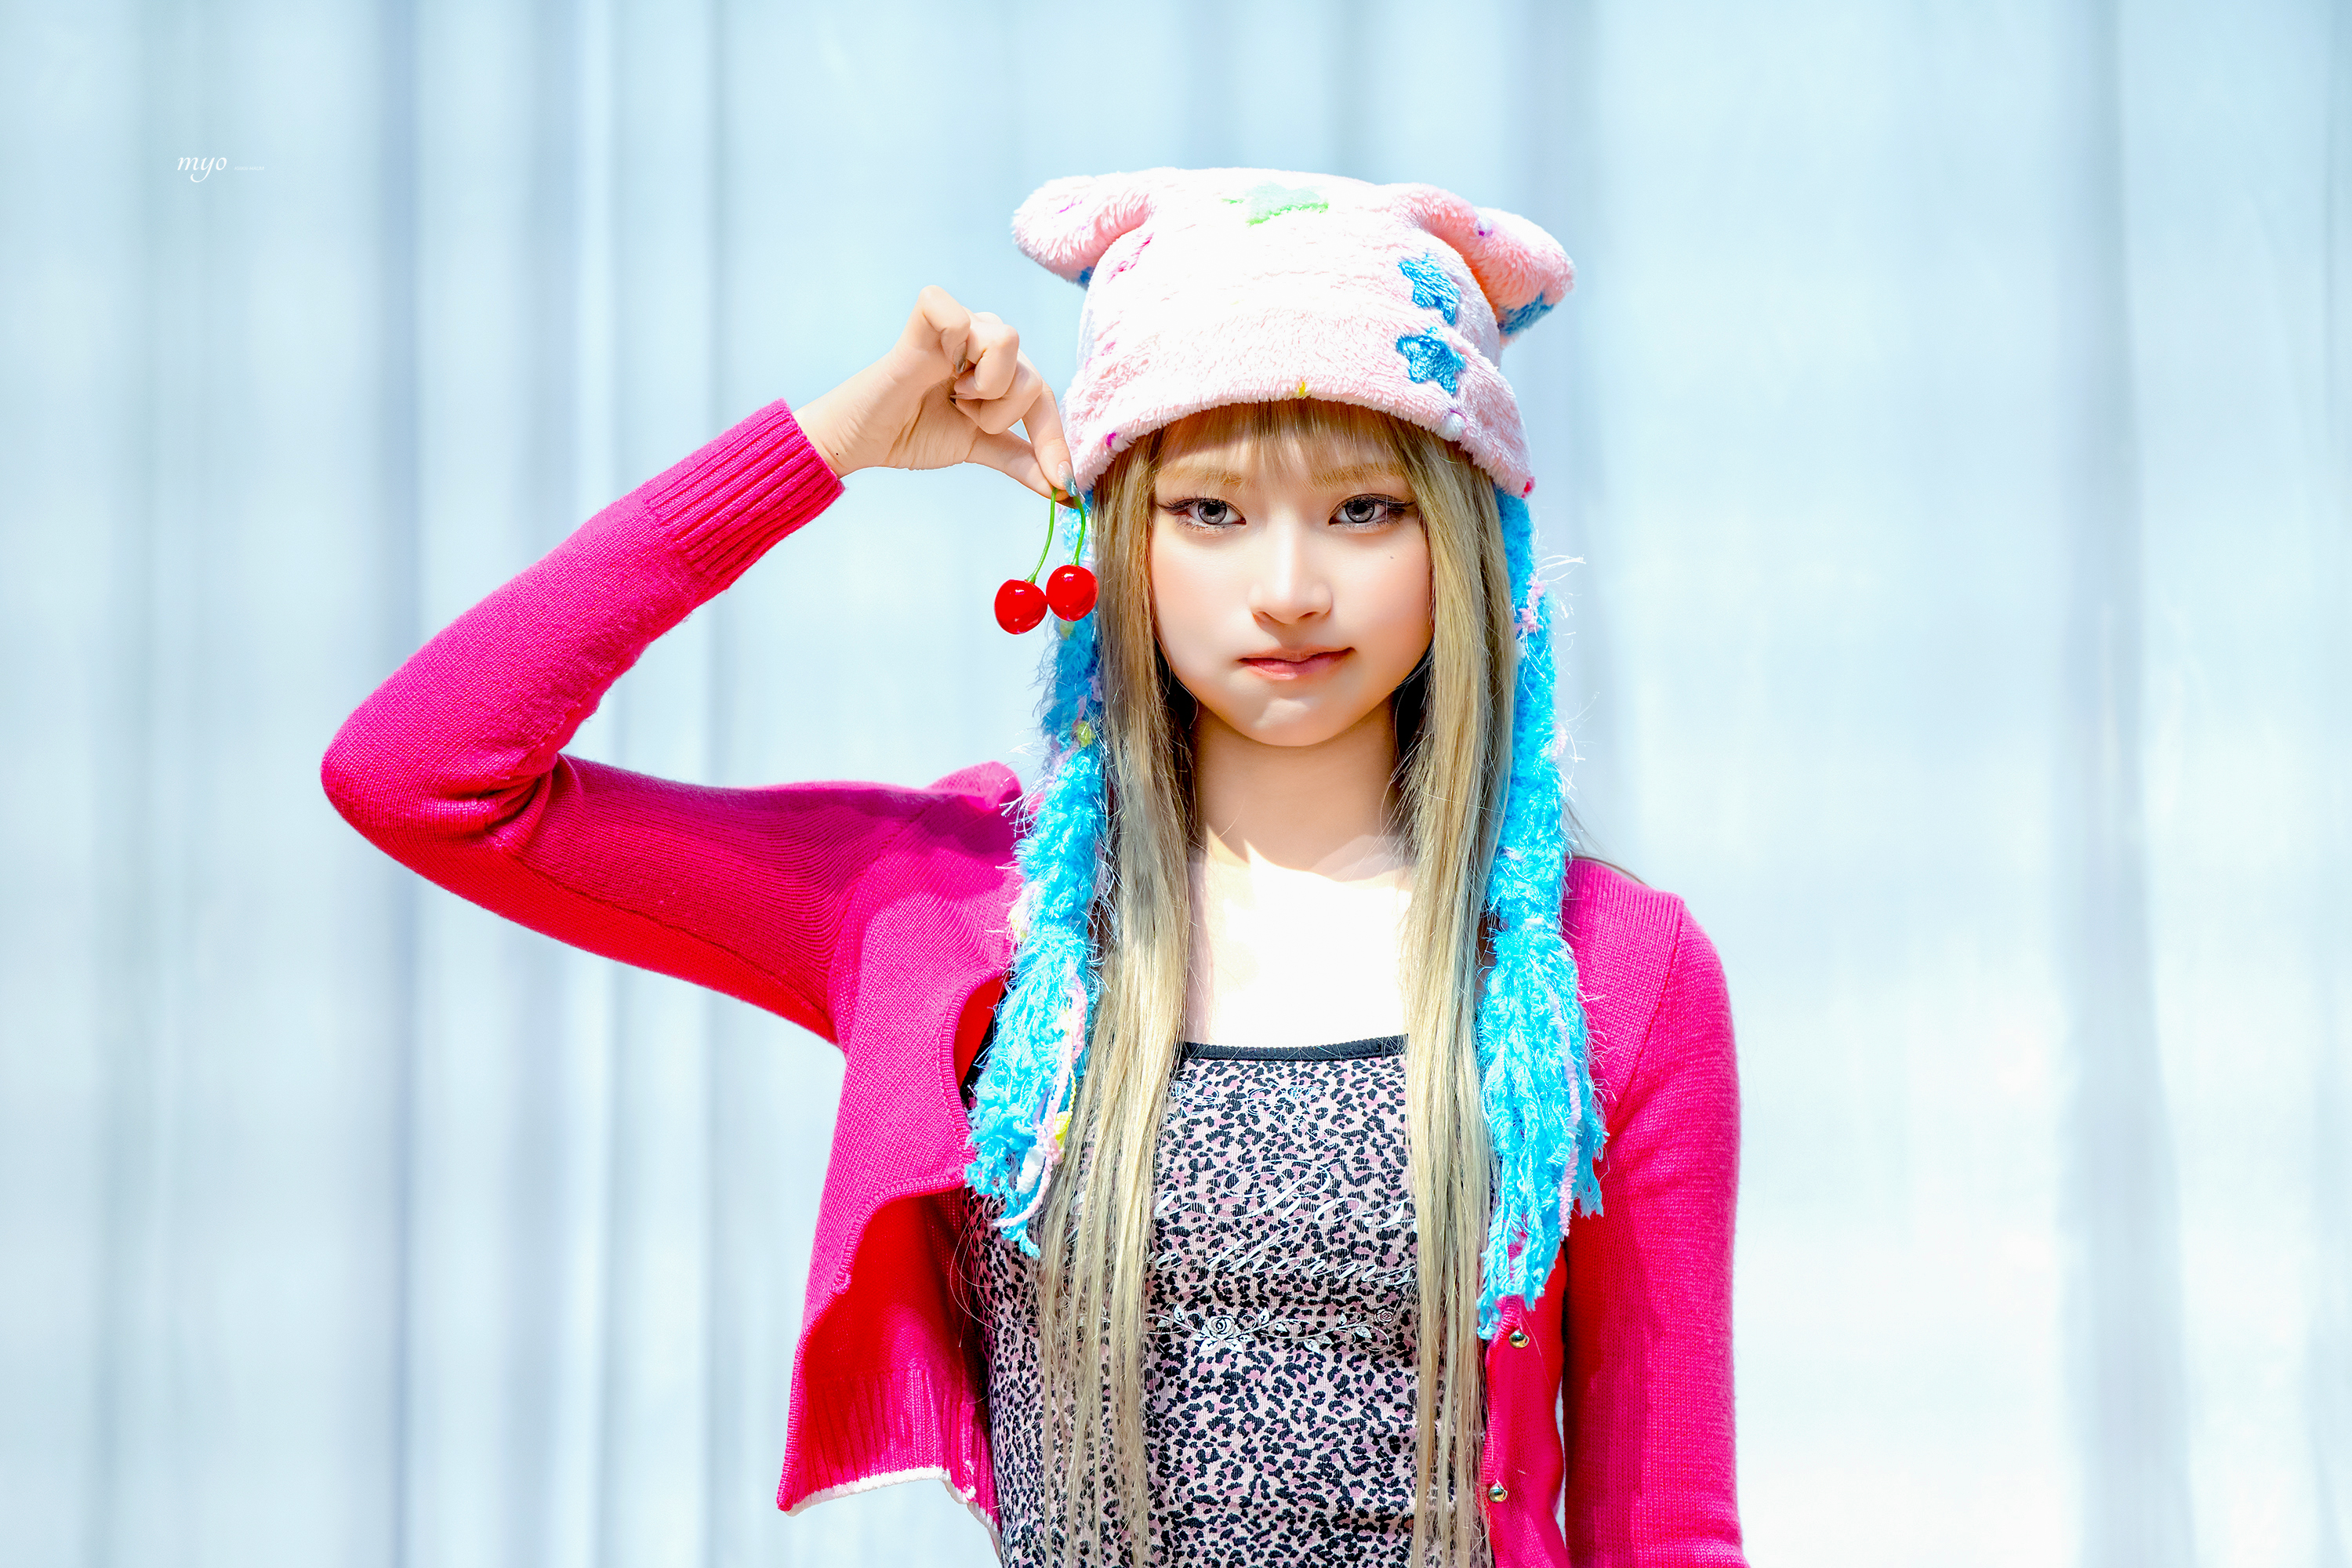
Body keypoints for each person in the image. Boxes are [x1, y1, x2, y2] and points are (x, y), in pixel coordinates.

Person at [324, 167, 1746, 1568]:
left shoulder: (1611, 970)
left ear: (1468, 539)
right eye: (1210, 511)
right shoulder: (950, 913)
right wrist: (824, 448)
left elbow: (1666, 1529)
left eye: (1365, 509)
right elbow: (422, 775)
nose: (1289, 589)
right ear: (1112, 537)